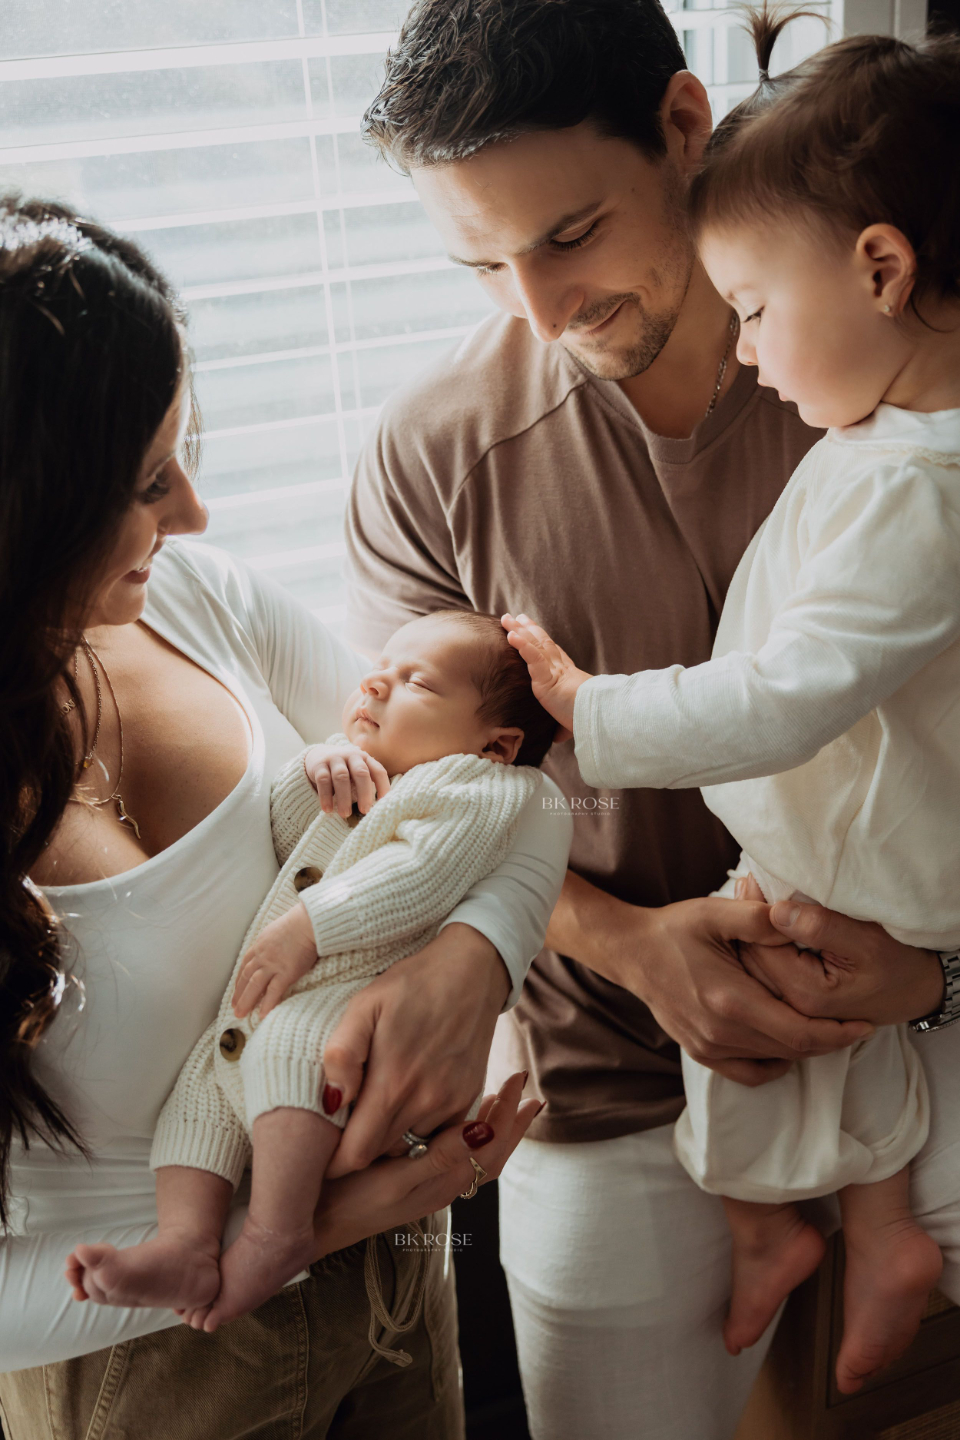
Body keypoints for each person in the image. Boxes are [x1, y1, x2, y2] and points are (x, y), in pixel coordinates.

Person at [346, 2, 960, 1435]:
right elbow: (411, 799)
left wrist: (929, 981)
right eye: (483, 262)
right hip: (608, 1064)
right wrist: (634, 948)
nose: (540, 312)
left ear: (686, 128)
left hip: (906, 1005)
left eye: (566, 237)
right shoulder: (432, 454)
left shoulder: (876, 368)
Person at [0, 195, 571, 1439]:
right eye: (147, 480)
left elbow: (497, 797)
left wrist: (477, 961)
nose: (196, 512)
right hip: (150, 1366)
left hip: (392, 1289)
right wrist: (295, 1230)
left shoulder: (198, 602)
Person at [66, 611, 557, 1340]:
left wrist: (308, 927)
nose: (375, 682)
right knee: (196, 1105)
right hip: (251, 1015)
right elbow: (285, 830)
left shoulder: (476, 787)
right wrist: (313, 769)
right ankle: (187, 1244)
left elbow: (417, 875)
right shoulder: (367, 767)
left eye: (415, 681)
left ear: (496, 743)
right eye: (380, 666)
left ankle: (276, 1230)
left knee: (289, 1052)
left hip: (334, 1006)